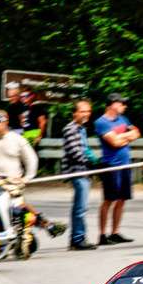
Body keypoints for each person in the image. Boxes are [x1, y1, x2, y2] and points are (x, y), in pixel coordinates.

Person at [0, 111, 64, 238]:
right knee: (6, 207)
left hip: (14, 181)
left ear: (5, 122)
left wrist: (27, 178)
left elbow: (31, 159)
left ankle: (40, 226)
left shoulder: (17, 139)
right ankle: (46, 224)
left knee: (18, 207)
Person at [93, 94, 140, 245]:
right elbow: (114, 143)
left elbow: (137, 133)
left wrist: (121, 137)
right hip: (111, 165)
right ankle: (102, 235)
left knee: (122, 199)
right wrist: (127, 137)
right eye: (121, 103)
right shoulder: (101, 122)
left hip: (125, 164)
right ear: (112, 104)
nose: (124, 106)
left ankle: (115, 232)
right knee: (109, 199)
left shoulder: (123, 119)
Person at [60, 99, 98, 250]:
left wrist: (94, 159)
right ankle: (78, 239)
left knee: (81, 207)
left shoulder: (81, 129)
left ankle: (77, 238)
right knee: (80, 208)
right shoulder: (70, 129)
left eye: (88, 111)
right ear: (74, 113)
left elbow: (84, 150)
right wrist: (91, 162)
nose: (86, 114)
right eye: (82, 111)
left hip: (84, 171)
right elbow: (74, 152)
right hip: (77, 171)